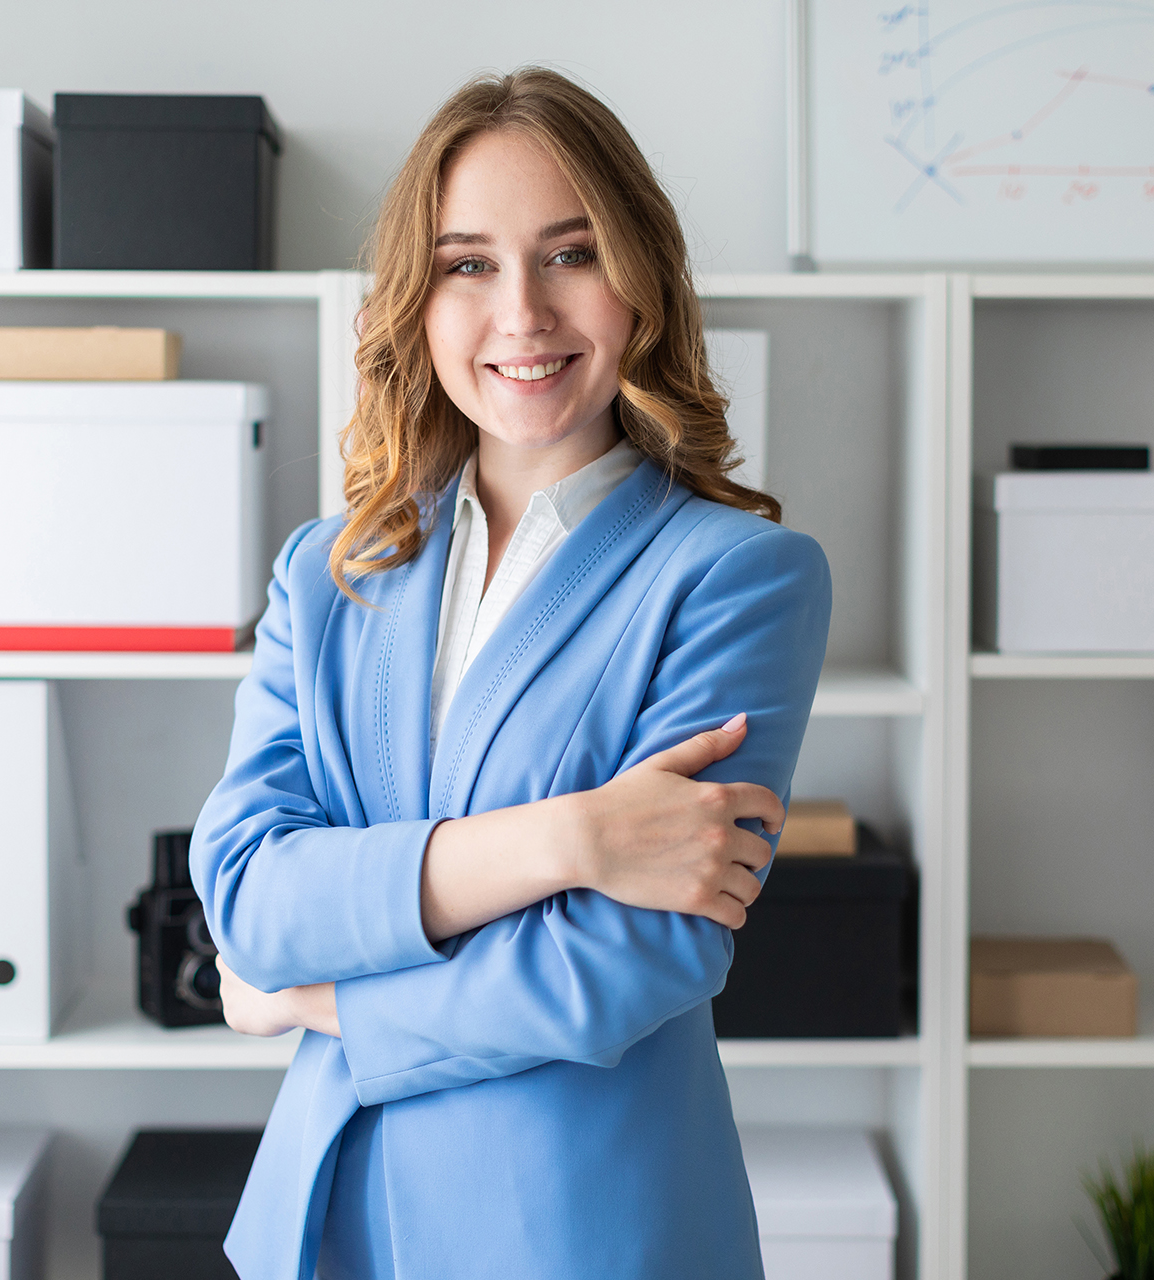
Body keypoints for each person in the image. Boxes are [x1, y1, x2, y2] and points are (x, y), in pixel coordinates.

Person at [191, 65, 831, 1280]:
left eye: (571, 253)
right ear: (415, 302)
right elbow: (248, 897)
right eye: (468, 262)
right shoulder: (327, 571)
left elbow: (635, 958)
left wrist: (315, 998)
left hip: (581, 1228)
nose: (523, 312)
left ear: (639, 282)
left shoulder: (739, 575)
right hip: (329, 1212)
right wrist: (574, 839)